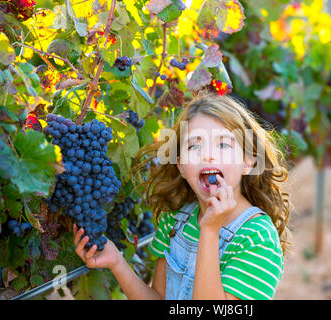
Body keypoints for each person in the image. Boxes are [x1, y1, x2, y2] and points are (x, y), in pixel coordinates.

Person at [73, 93, 292, 300]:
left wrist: (210, 230)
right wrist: (117, 263)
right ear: (181, 166)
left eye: (223, 144)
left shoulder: (257, 238)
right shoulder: (175, 222)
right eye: (194, 145)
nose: (208, 154)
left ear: (248, 162)